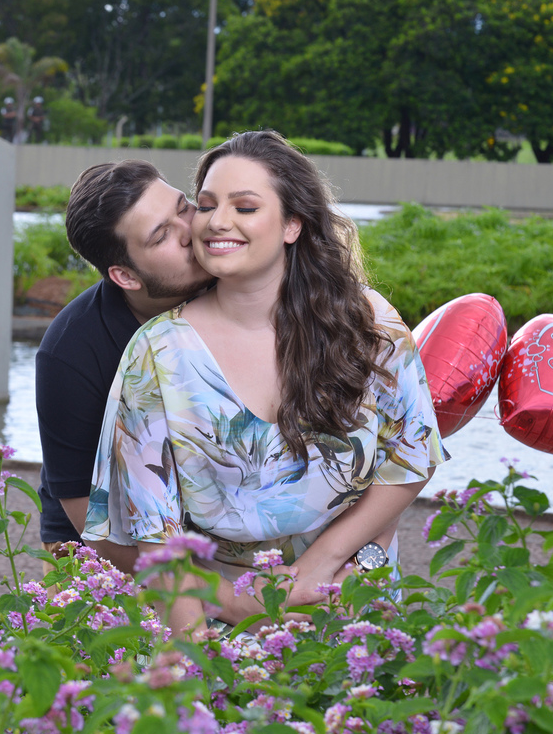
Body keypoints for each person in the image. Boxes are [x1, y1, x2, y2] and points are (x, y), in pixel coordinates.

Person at [82, 130, 448, 637]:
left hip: (353, 596)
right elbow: (155, 534)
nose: (217, 221)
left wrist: (319, 567)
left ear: (293, 224)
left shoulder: (368, 323)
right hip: (223, 614)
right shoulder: (157, 354)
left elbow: (411, 455)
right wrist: (195, 660)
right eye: (206, 205)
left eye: (246, 206)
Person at [36, 161, 213, 574]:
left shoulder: (239, 283)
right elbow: (84, 516)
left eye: (184, 208)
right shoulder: (70, 352)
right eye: (162, 235)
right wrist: (214, 593)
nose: (190, 231)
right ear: (125, 275)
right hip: (100, 541)